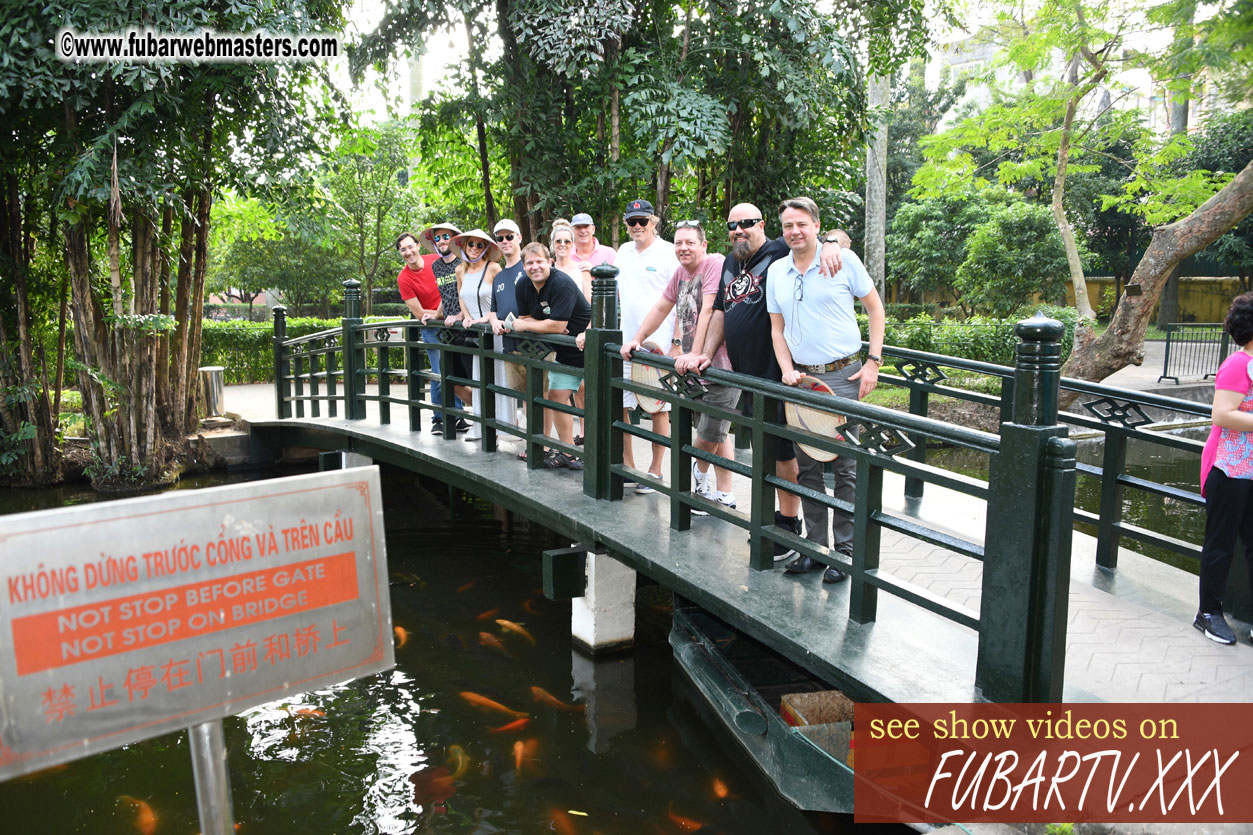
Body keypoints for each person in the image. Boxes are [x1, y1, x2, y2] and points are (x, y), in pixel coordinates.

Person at [674, 203, 844, 564]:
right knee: (768, 450)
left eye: (747, 224)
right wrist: (705, 352)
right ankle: (776, 518)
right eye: (733, 225)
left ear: (762, 225)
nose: (739, 230)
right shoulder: (731, 264)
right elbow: (720, 310)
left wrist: (831, 240)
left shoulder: (779, 250)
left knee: (787, 452)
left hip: (779, 373)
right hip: (746, 373)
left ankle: (789, 524)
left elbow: (814, 239)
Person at [766, 197, 884, 584]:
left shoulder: (842, 260)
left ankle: (844, 551)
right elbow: (777, 329)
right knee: (808, 465)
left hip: (843, 375)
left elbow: (874, 309)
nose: (794, 231)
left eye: (801, 224)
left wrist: (873, 362)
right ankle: (814, 548)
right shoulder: (778, 271)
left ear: (816, 225)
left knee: (846, 467)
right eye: (787, 226)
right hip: (802, 380)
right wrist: (786, 370)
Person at [621, 220, 739, 514]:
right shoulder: (681, 273)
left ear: (704, 245)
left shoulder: (714, 263)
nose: (683, 248)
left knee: (709, 434)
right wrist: (636, 339)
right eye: (678, 243)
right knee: (717, 431)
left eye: (689, 242)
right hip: (694, 369)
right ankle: (724, 492)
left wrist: (695, 352)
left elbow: (711, 309)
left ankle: (697, 479)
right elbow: (662, 307)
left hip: (720, 364)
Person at [1194, 292, 1253, 645]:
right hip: (1229, 468)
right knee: (1220, 544)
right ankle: (1208, 613)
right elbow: (1221, 415)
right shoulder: (1237, 364)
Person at [504, 243, 592, 470]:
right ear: (523, 267)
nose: (535, 267)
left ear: (549, 262)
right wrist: (548, 325)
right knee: (556, 398)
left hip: (588, 349)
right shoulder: (523, 284)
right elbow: (525, 318)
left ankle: (607, 460)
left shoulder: (561, 283)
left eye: (539, 261)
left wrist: (547, 325)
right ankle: (567, 451)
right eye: (530, 263)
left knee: (596, 403)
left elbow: (555, 324)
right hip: (564, 352)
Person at [615, 199, 679, 493]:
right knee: (623, 404)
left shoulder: (668, 252)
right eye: (632, 222)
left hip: (658, 346)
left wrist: (676, 342)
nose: (638, 226)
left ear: (654, 222)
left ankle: (655, 471)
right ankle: (628, 466)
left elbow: (680, 299)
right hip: (626, 343)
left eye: (643, 221)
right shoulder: (623, 252)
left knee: (657, 407)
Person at [449, 229, 503, 443]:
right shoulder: (460, 270)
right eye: (470, 244)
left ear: (486, 248)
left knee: (495, 380)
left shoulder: (494, 268)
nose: (474, 248)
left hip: (492, 330)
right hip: (472, 331)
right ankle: (480, 423)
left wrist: (487, 318)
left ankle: (499, 426)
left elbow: (502, 297)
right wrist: (467, 317)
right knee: (476, 380)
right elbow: (461, 296)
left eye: (479, 245)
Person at [420, 221, 468, 435]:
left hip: (466, 326)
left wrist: (460, 315)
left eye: (446, 236)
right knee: (446, 375)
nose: (441, 241)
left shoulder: (464, 261)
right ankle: (443, 419)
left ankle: (486, 421)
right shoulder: (436, 266)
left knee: (471, 378)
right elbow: (445, 293)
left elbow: (465, 292)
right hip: (447, 328)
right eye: (437, 238)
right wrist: (437, 314)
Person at [396, 231, 444, 431]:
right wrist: (442, 313)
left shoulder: (436, 261)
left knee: (456, 371)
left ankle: (457, 416)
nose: (408, 252)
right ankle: (439, 419)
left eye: (410, 246)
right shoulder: (404, 278)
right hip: (432, 328)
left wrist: (441, 312)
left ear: (418, 246)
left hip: (451, 323)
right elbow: (419, 314)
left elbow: (453, 288)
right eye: (403, 250)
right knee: (439, 372)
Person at [489, 219, 527, 432]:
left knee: (540, 395)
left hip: (534, 342)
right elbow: (494, 309)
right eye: (500, 238)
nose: (505, 241)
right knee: (521, 394)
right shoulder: (499, 276)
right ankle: (529, 440)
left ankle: (543, 445)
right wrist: (494, 321)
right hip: (509, 342)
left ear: (519, 238)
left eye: (509, 237)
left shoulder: (530, 266)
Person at [571, 212, 616, 291]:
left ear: (593, 229)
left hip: (602, 301)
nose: (583, 230)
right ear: (572, 231)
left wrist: (596, 272)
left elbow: (619, 283)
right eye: (578, 227)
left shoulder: (609, 253)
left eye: (586, 226)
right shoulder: (566, 255)